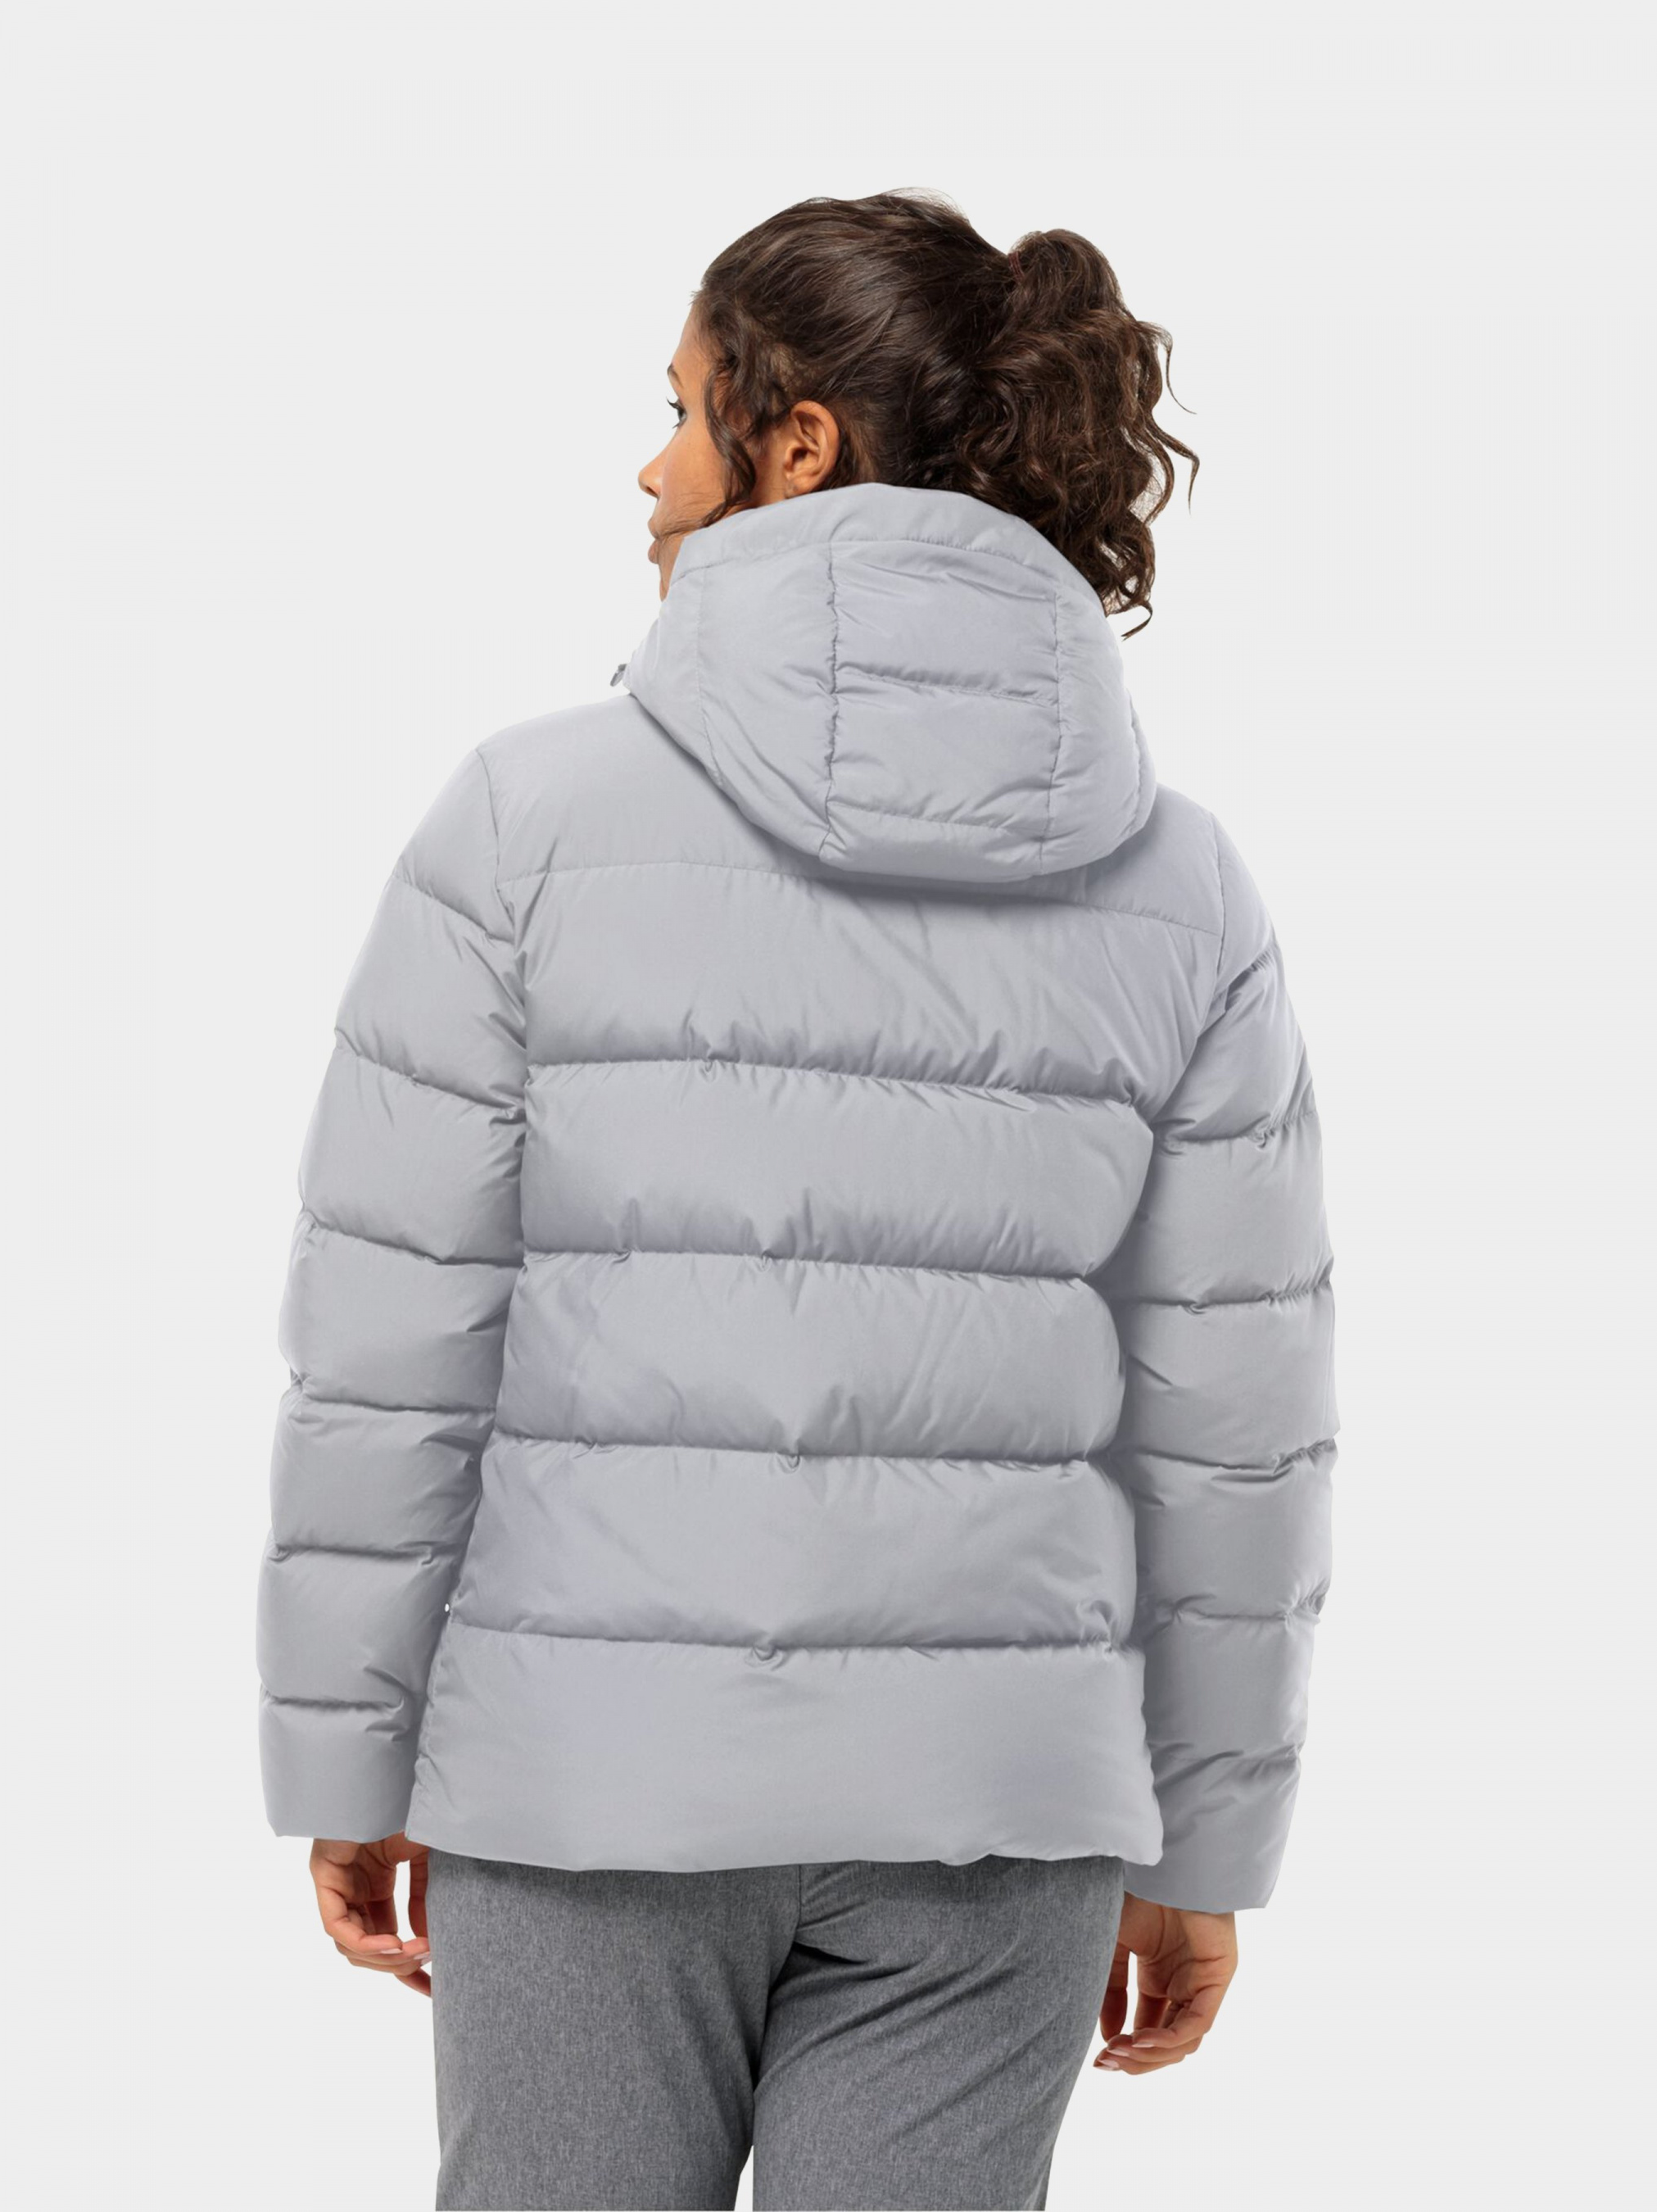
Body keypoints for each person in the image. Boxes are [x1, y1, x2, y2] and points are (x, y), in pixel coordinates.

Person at [256, 190, 1338, 2212]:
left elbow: (394, 1341)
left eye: (682, 411)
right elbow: (1237, 1428)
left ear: (797, 444)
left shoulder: (525, 821)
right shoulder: (1180, 885)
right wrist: (1202, 1844)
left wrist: (350, 1752)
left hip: (589, 1784)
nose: (649, 469)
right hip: (998, 1808)